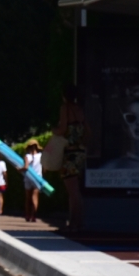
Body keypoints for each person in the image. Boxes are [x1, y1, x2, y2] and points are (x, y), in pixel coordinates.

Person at [54, 84, 88, 232]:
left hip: (69, 153)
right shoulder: (80, 110)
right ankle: (76, 220)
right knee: (75, 188)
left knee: (72, 190)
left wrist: (53, 130)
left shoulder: (65, 108)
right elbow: (88, 131)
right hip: (80, 152)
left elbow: (62, 129)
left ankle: (75, 222)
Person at [22, 139, 43, 222]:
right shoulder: (41, 155)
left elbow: (26, 167)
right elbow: (44, 168)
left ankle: (27, 215)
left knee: (28, 198)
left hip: (28, 177)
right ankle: (34, 216)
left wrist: (19, 169)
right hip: (38, 177)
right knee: (35, 197)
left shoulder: (27, 156)